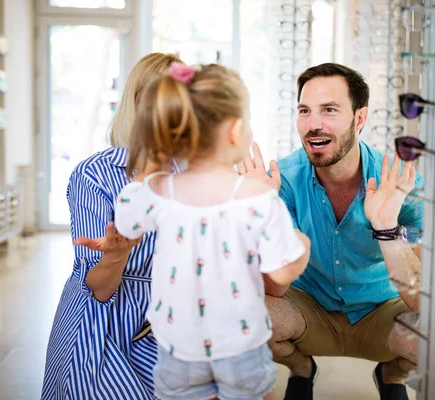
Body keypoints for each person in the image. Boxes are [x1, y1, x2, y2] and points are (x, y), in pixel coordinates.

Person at [113, 62, 312, 400]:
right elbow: (281, 272)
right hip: (240, 348)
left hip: (177, 349)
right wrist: (301, 243)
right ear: (234, 130)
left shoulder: (158, 190)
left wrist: (147, 160)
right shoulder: (257, 197)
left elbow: (126, 221)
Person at [239, 63, 423, 400]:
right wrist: (263, 214)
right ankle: (301, 368)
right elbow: (273, 291)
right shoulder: (283, 181)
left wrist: (387, 227)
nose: (313, 125)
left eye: (329, 110)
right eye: (305, 111)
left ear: (360, 118)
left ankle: (391, 375)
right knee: (245, 315)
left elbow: (422, 299)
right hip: (309, 308)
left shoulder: (400, 185)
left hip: (381, 312)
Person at [41, 52, 183, 400]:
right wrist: (117, 255)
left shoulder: (192, 176)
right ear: (136, 105)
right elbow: (99, 288)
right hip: (100, 328)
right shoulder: (95, 175)